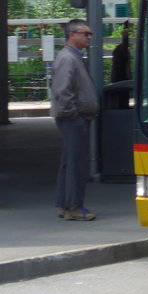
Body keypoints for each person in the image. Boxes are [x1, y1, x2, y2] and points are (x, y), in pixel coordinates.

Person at [50, 19, 100, 221]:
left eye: (90, 34)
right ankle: (74, 208)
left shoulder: (72, 57)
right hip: (73, 119)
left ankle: (65, 205)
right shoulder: (68, 58)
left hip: (73, 118)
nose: (89, 37)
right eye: (85, 33)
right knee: (76, 164)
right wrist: (73, 114)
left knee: (69, 162)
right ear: (72, 35)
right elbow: (63, 91)